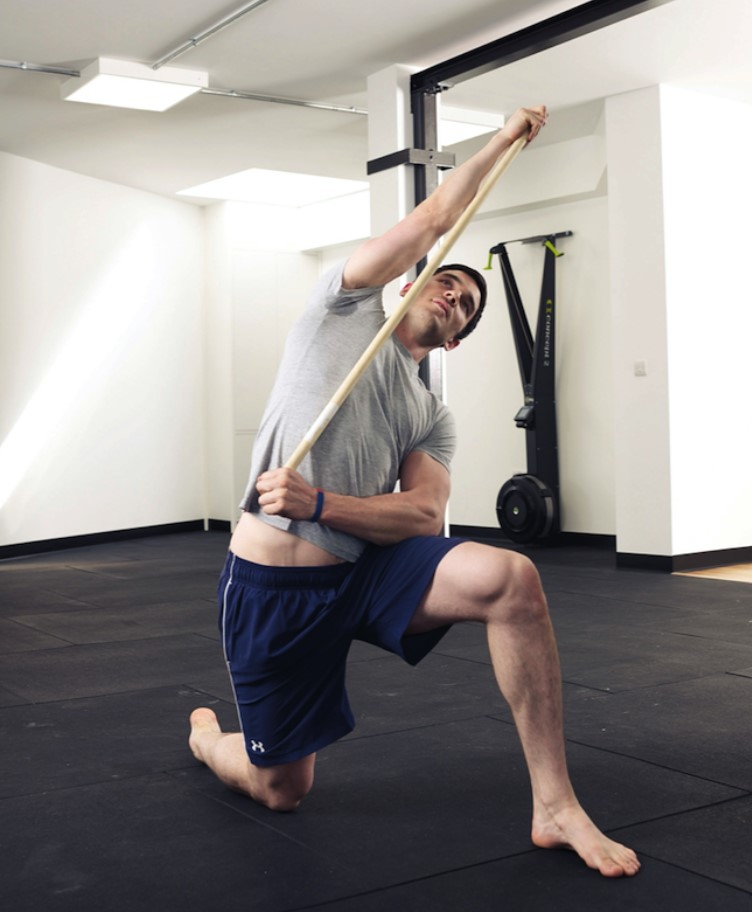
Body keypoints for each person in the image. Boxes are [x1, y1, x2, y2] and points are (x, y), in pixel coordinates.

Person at [189, 105, 640, 878]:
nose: (454, 297)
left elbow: (425, 516)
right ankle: (207, 738)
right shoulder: (340, 308)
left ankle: (555, 805)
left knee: (512, 577)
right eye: (447, 282)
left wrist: (321, 505)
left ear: (458, 338)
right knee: (281, 790)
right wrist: (501, 141)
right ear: (409, 281)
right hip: (273, 589)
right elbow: (433, 217)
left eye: (466, 304)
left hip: (360, 570)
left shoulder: (429, 413)